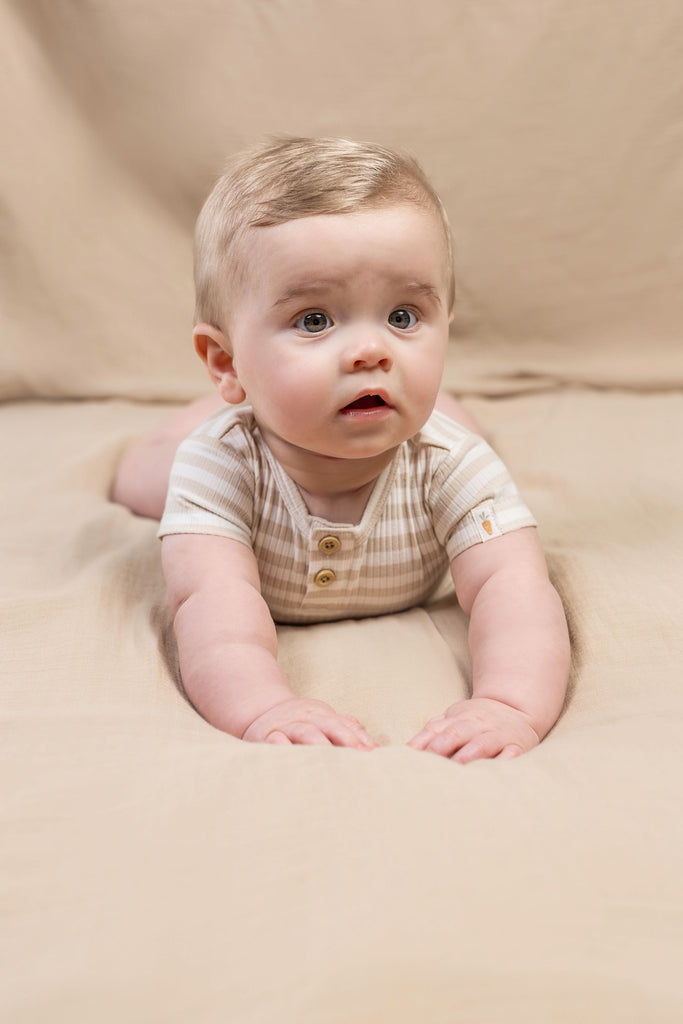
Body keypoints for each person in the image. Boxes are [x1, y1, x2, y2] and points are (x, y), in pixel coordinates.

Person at [113, 136, 570, 762]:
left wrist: (509, 705)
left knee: (462, 432)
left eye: (404, 316)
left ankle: (441, 399)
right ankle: (218, 410)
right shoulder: (218, 466)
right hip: (230, 447)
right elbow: (211, 605)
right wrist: (266, 707)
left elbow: (514, 588)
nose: (371, 350)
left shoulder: (453, 464)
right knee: (143, 477)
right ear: (225, 360)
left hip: (434, 440)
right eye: (315, 320)